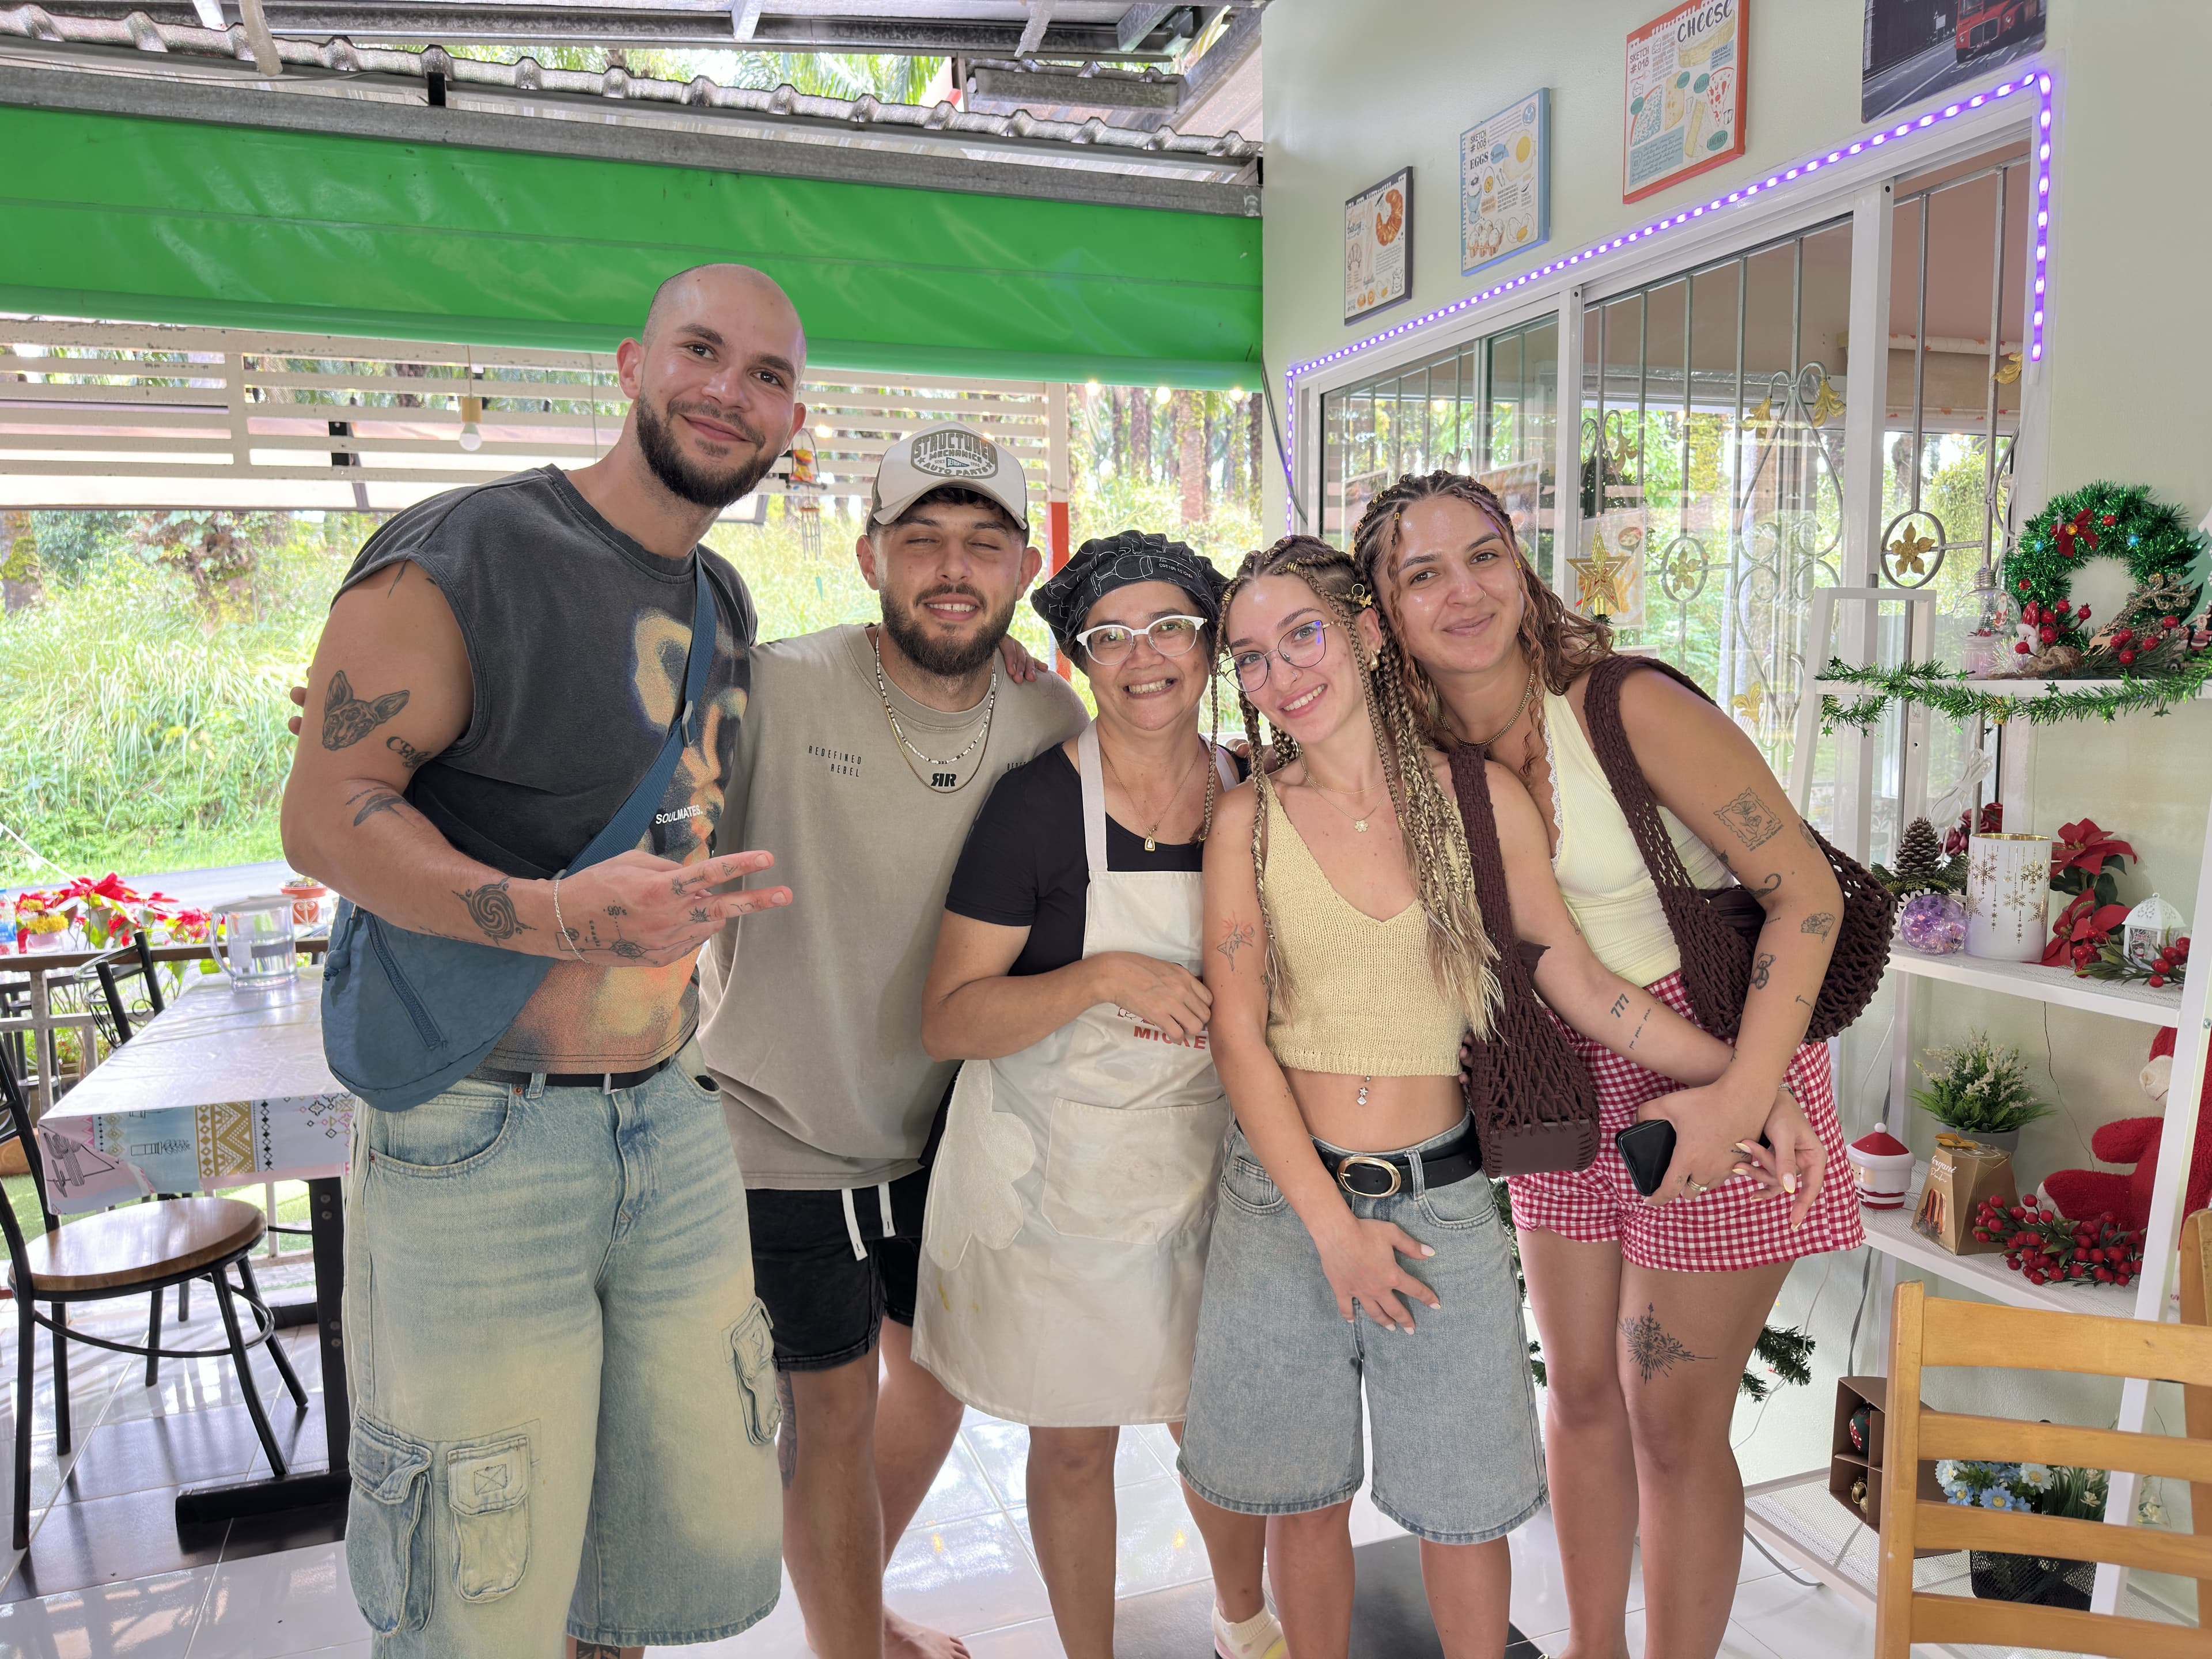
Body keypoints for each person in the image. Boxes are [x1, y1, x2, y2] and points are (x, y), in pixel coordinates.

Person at [280, 264, 803, 1656]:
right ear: (632, 362)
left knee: (642, 1551)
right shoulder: (470, 548)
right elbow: (326, 818)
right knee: (478, 1582)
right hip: (475, 1129)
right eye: (703, 351)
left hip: (667, 1117)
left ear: (791, 419)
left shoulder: (728, 601)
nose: (729, 391)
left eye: (768, 375)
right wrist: (561, 916)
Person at [1179, 536, 1811, 1659]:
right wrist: (1331, 1231)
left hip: (1444, 1208)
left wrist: (1740, 1080)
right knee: (1304, 1502)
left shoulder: (1479, 803)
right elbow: (1238, 1034)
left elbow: (1577, 978)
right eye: (1253, 659)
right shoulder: (1250, 823)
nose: (1281, 676)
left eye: (1304, 636)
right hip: (1285, 1211)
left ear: (1369, 634)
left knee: (1466, 1511)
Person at [1350, 470, 1862, 1659]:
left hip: (1730, 1054)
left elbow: (1809, 893)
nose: (1463, 591)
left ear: (1520, 568)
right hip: (1560, 1070)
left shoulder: (1621, 707)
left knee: (1671, 1415)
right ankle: (1594, 1646)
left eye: (1482, 557)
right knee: (1579, 1390)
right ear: (1385, 612)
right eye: (1422, 573)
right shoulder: (1417, 753)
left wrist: (1743, 1096)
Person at [696, 425, 1089, 1659]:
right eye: (922, 541)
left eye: (982, 544)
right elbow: (617, 767)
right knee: (831, 1411)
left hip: (951, 1125)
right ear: (871, 556)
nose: (952, 570)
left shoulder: (1047, 718)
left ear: (1025, 567)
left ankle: (853, 1605)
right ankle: (847, 1643)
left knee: (943, 1378)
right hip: (784, 1120)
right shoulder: (777, 684)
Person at [912, 531, 1285, 1659]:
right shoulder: (1036, 810)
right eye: (1110, 638)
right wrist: (1102, 978)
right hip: (1056, 1178)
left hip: (1213, 1160)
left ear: (1212, 645)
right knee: (1074, 1443)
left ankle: (1243, 1620)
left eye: (1170, 626)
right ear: (1078, 660)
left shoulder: (1258, 796)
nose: (1145, 657)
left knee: (1210, 1424)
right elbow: (948, 1017)